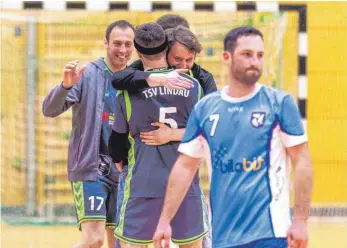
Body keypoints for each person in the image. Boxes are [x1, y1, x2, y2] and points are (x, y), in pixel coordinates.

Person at [153, 26, 313, 248]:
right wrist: (164, 220)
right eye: (247, 54)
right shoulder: (205, 109)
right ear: (227, 57)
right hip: (224, 236)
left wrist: (301, 220)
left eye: (259, 55)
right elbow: (185, 167)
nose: (254, 61)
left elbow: (302, 161)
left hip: (271, 233)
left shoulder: (279, 103)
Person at [108, 22, 207, 248]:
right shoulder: (194, 86)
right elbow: (207, 134)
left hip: (142, 183)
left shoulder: (127, 91)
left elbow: (116, 144)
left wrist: (122, 164)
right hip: (184, 184)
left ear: (137, 51)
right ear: (167, 50)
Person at [42, 20, 136, 248]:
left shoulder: (137, 79)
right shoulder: (87, 74)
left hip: (126, 171)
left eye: (127, 44)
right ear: (105, 43)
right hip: (91, 169)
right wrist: (64, 87)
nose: (122, 50)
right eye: (117, 43)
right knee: (93, 240)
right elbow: (49, 110)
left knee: (122, 242)